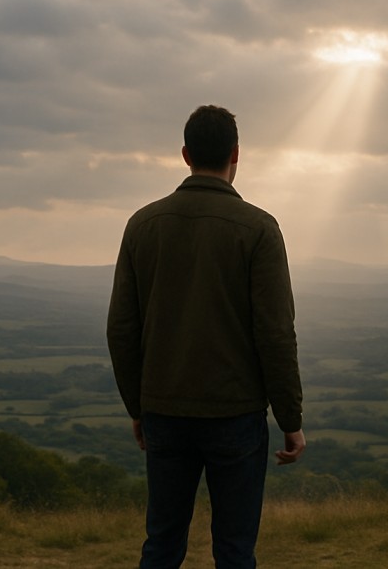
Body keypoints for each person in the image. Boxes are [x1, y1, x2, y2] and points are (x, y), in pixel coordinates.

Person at [107, 104, 305, 569]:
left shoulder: (143, 225)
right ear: (236, 154)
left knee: (161, 544)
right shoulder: (259, 228)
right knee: (235, 549)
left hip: (164, 410)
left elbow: (121, 329)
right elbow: (275, 333)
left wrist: (138, 406)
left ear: (185, 154)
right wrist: (290, 418)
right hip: (235, 413)